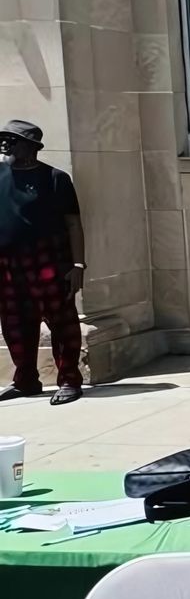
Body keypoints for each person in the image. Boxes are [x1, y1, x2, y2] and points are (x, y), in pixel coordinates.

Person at [0, 120, 84, 404]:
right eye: (4, 139)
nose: (5, 145)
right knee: (15, 324)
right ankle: (26, 381)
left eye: (12, 140)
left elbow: (73, 224)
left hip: (49, 260)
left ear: (32, 147)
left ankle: (70, 380)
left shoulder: (55, 179)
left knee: (62, 322)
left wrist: (78, 266)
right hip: (7, 264)